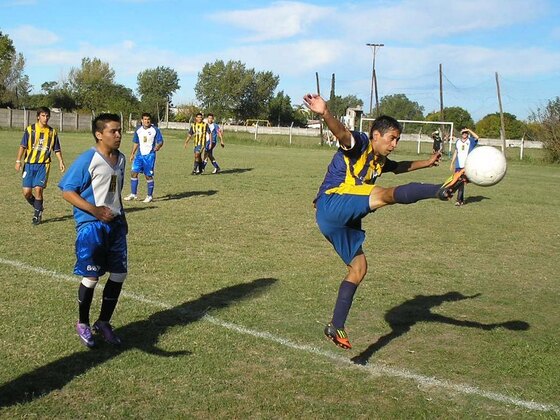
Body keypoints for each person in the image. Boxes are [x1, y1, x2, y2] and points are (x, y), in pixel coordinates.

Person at [303, 93, 466, 350]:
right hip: (334, 202)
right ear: (376, 135)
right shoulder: (360, 143)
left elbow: (399, 166)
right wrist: (325, 114)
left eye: (397, 139)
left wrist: (428, 162)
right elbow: (342, 134)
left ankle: (336, 325)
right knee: (385, 195)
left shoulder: (379, 160)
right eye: (392, 138)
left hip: (340, 220)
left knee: (359, 268)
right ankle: (440, 190)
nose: (394, 144)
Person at [59, 113, 128, 348]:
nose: (118, 135)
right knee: (91, 276)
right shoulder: (88, 158)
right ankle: (83, 323)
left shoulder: (121, 160)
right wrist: (94, 211)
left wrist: (123, 217)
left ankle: (104, 322)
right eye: (113, 131)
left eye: (120, 130)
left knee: (118, 274)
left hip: (116, 225)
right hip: (92, 226)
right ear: (99, 134)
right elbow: (67, 190)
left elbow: (114, 192)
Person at [15, 107, 66, 225]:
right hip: (29, 164)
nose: (45, 118)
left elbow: (56, 149)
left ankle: (37, 215)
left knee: (38, 189)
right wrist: (18, 161)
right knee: (27, 192)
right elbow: (22, 146)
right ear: (38, 116)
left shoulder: (52, 132)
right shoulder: (30, 130)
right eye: (43, 115)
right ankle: (38, 207)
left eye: (47, 116)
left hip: (43, 165)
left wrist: (61, 161)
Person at [123, 112, 164, 203]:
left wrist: (158, 146)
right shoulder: (138, 130)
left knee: (148, 175)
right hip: (139, 155)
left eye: (148, 119)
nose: (147, 121)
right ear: (142, 120)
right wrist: (132, 153)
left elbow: (160, 141)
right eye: (145, 119)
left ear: (150, 120)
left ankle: (149, 196)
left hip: (149, 156)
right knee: (134, 173)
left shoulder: (155, 130)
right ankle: (133, 194)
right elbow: (136, 142)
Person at [450, 128, 479, 206]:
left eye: (466, 133)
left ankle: (459, 200)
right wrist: (452, 162)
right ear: (461, 134)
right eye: (463, 133)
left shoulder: (470, 141)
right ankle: (461, 200)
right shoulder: (458, 142)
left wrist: (469, 130)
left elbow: (477, 137)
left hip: (467, 165)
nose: (464, 134)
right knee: (459, 182)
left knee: (461, 182)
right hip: (458, 165)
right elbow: (456, 152)